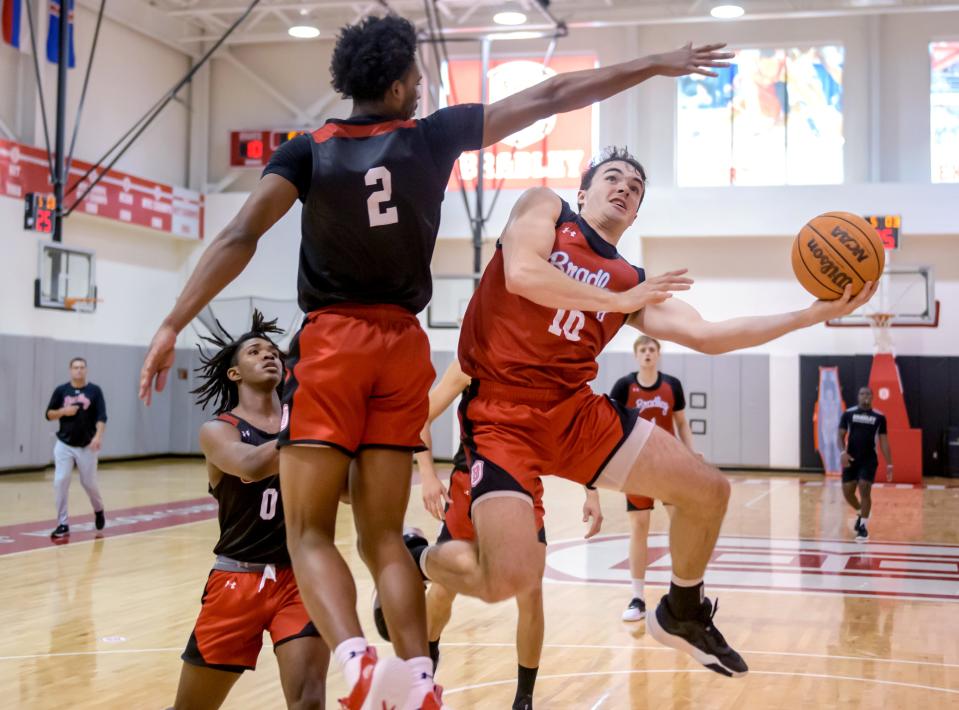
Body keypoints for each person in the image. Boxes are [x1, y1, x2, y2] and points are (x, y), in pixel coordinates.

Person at [138, 10, 734, 706]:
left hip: (333, 342)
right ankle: (417, 677)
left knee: (306, 532)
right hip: (403, 346)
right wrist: (650, 65)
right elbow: (548, 98)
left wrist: (173, 320)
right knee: (385, 536)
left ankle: (357, 655)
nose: (421, 84)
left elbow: (240, 233)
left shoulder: (308, 149)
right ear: (396, 84)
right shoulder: (429, 137)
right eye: (416, 74)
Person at [405, 147, 876, 679]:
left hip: (573, 413)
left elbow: (709, 336)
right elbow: (521, 274)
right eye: (613, 177)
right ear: (583, 193)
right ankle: (418, 558)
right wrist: (624, 303)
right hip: (503, 415)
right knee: (504, 579)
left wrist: (811, 313)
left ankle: (682, 609)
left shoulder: (631, 280)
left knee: (708, 491)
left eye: (635, 187)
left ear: (635, 214)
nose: (624, 187)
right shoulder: (545, 209)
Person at [388, 360, 602, 710]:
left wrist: (590, 489)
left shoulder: (545, 364)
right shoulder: (470, 363)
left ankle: (524, 699)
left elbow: (573, 433)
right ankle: (421, 671)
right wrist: (427, 474)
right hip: (470, 484)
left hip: (522, 488)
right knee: (444, 591)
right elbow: (419, 416)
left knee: (530, 592)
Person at [174, 311, 328, 710]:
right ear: (234, 374)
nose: (269, 355)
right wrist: (313, 430)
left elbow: (344, 492)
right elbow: (252, 465)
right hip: (236, 580)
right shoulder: (218, 430)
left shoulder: (305, 424)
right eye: (255, 351)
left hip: (299, 579)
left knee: (309, 702)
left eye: (274, 351)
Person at [609, 335, 696, 623]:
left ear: (658, 354)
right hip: (636, 467)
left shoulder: (672, 385)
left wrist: (691, 457)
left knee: (680, 527)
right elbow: (611, 425)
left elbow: (682, 423)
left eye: (652, 349)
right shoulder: (624, 386)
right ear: (636, 356)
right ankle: (637, 598)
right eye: (642, 349)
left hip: (668, 465)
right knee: (639, 527)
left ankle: (683, 596)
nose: (647, 353)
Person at [45, 357, 107, 539]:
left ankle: (99, 509)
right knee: (61, 481)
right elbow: (48, 414)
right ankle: (62, 524)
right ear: (70, 370)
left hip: (87, 445)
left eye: (82, 367)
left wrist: (97, 436)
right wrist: (63, 411)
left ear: (86, 370)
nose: (79, 370)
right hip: (64, 444)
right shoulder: (61, 391)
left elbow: (102, 417)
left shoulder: (94, 391)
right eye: (75, 367)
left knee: (88, 483)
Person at [838, 386, 892, 543]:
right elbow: (840, 436)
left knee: (864, 488)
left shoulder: (879, 417)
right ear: (858, 397)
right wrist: (843, 453)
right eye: (862, 393)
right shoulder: (848, 414)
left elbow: (884, 441)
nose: (865, 396)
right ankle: (862, 511)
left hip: (869, 460)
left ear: (872, 397)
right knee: (848, 492)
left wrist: (890, 464)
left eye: (868, 393)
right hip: (851, 458)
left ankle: (862, 527)